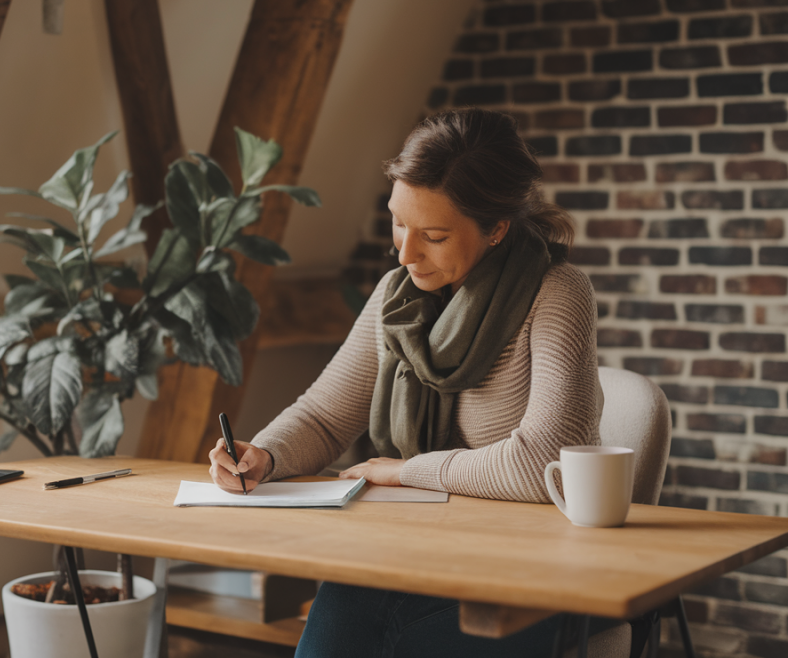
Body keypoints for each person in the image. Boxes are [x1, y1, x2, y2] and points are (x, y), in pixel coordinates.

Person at [208, 108, 603, 657]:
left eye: (434, 235)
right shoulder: (398, 296)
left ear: (496, 227)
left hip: (521, 572)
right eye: (399, 221)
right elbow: (325, 416)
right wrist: (263, 456)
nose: (404, 252)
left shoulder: (557, 295)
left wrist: (403, 472)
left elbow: (545, 466)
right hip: (400, 553)